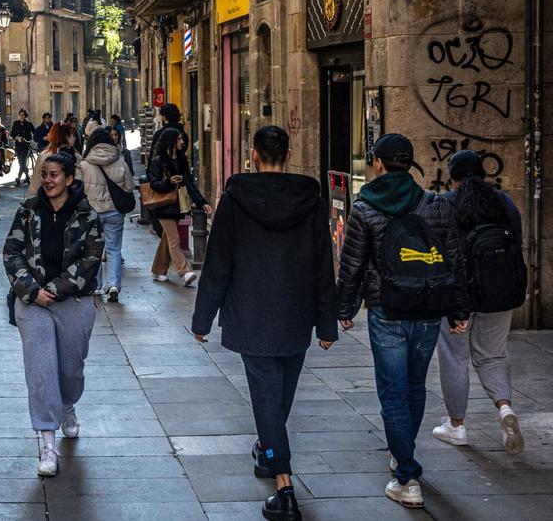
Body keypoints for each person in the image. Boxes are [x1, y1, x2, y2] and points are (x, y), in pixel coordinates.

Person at [191, 126, 337, 521]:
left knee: (268, 402)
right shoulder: (310, 199)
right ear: (288, 153)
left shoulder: (236, 198)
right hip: (295, 313)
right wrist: (326, 324)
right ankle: (267, 449)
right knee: (279, 398)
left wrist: (203, 318)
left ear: (253, 154)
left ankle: (284, 486)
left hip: (251, 313)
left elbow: (218, 260)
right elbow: (323, 262)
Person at [336, 133, 469, 509]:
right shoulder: (436, 205)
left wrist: (344, 309)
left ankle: (406, 475)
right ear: (409, 164)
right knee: (414, 387)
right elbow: (455, 263)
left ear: (378, 162)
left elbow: (352, 265)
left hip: (386, 310)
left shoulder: (364, 208)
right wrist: (459, 311)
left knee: (392, 392)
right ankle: (403, 454)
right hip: (428, 310)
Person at [3, 152, 103, 477]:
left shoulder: (87, 215)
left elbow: (90, 260)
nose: (48, 180)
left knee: (71, 369)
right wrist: (33, 291)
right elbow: (11, 252)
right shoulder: (27, 211)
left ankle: (68, 405)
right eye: (44, 174)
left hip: (73, 301)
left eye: (55, 174)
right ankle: (47, 442)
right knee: (41, 368)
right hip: (32, 303)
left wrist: (57, 290)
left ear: (69, 179)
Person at [433, 150, 526, 454]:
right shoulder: (504, 202)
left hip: (459, 296)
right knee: (493, 355)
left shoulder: (445, 204)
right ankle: (504, 409)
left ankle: (456, 425)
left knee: (455, 357)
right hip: (500, 293)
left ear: (453, 176)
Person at [147, 128, 211, 285]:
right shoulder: (158, 161)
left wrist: (202, 202)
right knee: (174, 239)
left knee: (167, 239)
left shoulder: (182, 160)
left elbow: (189, 184)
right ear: (172, 142)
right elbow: (153, 184)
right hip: (162, 206)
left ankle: (158, 269)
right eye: (180, 139)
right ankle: (184, 271)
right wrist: (169, 182)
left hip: (177, 205)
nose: (183, 142)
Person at [77, 128, 134, 302]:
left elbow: (79, 190)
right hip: (115, 211)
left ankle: (96, 285)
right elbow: (129, 187)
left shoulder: (85, 164)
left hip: (93, 213)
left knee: (94, 249)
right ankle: (114, 284)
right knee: (114, 249)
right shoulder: (120, 161)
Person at [28, 121, 80, 197]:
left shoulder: (44, 155)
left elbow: (35, 183)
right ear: (65, 136)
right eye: (73, 135)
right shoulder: (76, 156)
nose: (75, 138)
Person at [11, 109, 36, 188]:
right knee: (20, 161)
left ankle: (18, 177)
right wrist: (16, 137)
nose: (21, 116)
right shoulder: (16, 123)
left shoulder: (28, 124)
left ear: (25, 116)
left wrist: (32, 140)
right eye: (20, 115)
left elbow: (35, 132)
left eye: (23, 115)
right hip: (18, 145)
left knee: (23, 161)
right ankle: (27, 176)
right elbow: (12, 133)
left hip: (26, 145)